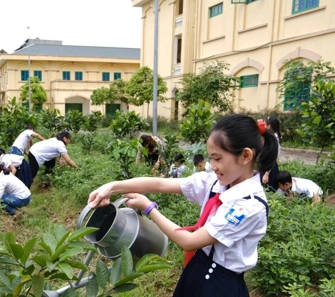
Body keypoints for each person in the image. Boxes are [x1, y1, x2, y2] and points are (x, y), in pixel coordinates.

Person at [87, 114, 278, 297]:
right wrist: (111, 187)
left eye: (218, 158)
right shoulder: (215, 182)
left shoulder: (249, 206)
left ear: (245, 156)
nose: (213, 165)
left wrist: (149, 208)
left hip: (221, 285)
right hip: (196, 268)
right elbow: (160, 184)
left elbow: (189, 242)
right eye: (210, 158)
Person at [261, 116, 282, 191]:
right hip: (268, 166)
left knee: (269, 189)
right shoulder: (273, 136)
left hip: (270, 168)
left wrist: (266, 174)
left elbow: (273, 158)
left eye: (265, 124)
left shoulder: (274, 139)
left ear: (269, 126)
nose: (264, 126)